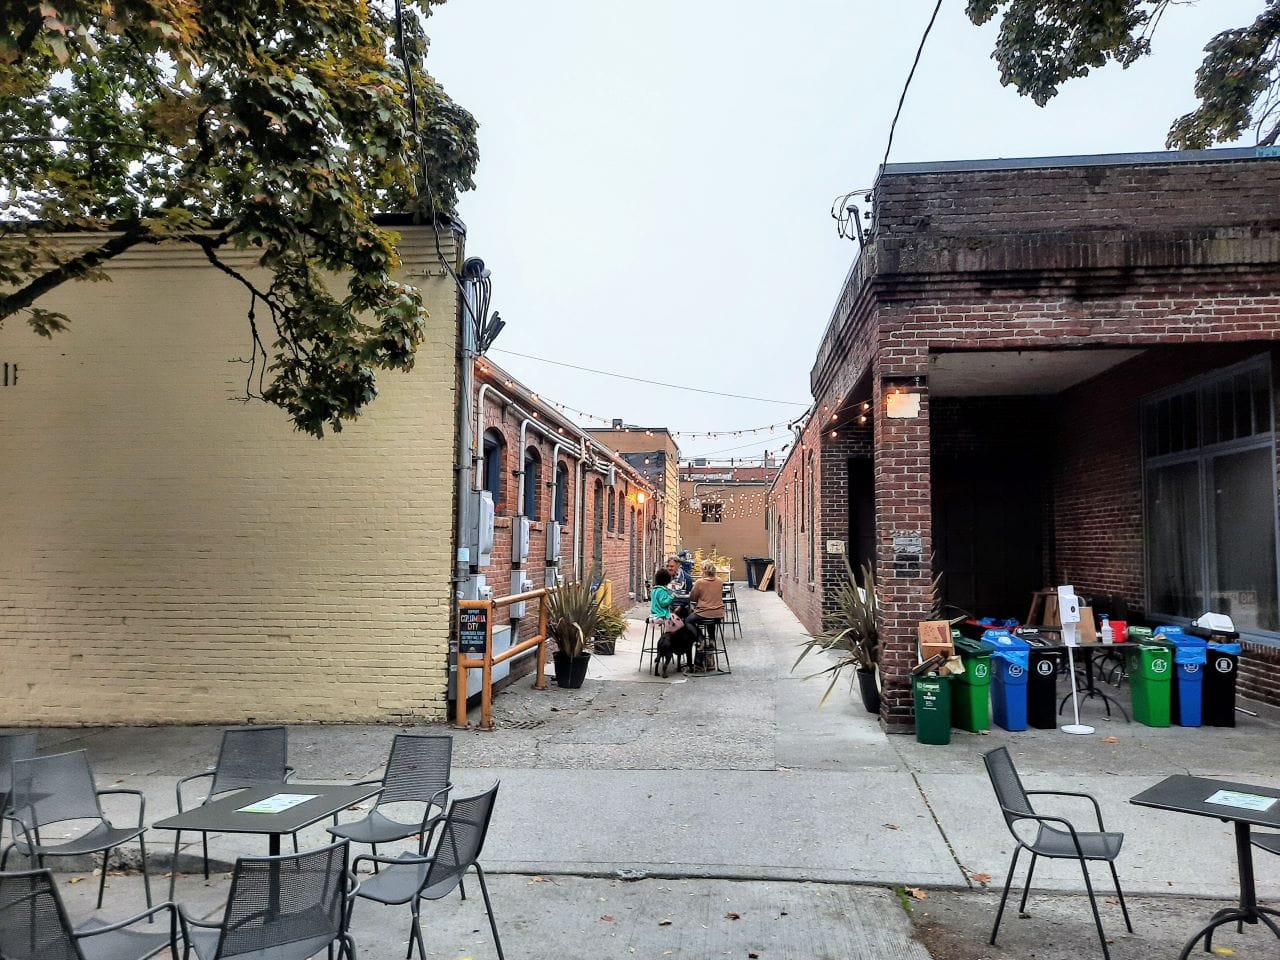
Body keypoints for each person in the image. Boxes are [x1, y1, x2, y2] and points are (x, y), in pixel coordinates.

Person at [687, 559, 725, 669]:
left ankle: (701, 639)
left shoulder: (700, 582)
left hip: (704, 612)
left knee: (688, 621)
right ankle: (712, 640)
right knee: (711, 620)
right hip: (719, 613)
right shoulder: (719, 581)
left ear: (703, 570)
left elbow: (693, 598)